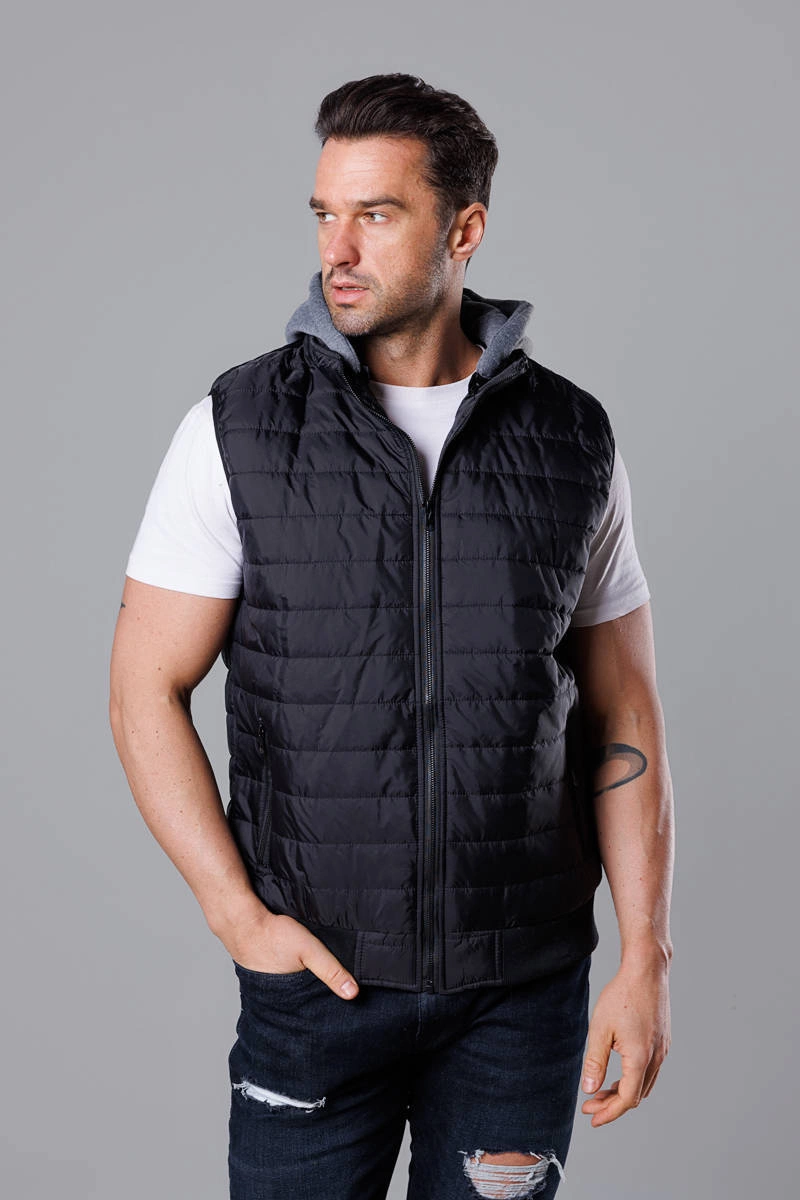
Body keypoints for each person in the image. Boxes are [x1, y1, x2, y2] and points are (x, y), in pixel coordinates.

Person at [109, 73, 673, 1200]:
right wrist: (237, 916)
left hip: (520, 991)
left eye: (375, 213)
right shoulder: (238, 427)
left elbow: (624, 709)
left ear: (463, 230)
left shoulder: (571, 437)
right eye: (325, 213)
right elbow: (142, 688)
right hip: (317, 987)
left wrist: (645, 957)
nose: (338, 249)